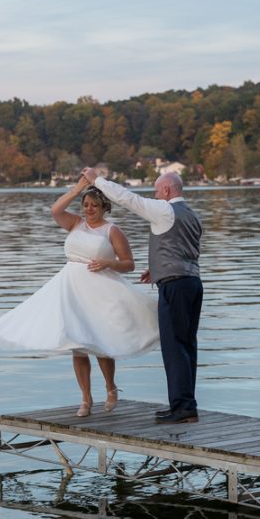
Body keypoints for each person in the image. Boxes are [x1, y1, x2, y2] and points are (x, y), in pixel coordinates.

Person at [0, 177, 159, 416]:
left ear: (104, 208)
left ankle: (110, 388)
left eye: (94, 206)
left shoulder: (112, 230)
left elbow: (129, 264)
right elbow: (55, 209)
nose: (89, 209)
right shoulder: (75, 223)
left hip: (100, 289)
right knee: (77, 344)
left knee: (101, 343)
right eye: (85, 204)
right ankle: (86, 399)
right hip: (71, 288)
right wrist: (78, 188)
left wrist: (108, 263)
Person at [82, 168, 202, 423]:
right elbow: (185, 250)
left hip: (175, 286)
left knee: (174, 347)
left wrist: (97, 181)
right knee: (187, 346)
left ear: (167, 190)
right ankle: (185, 405)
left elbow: (127, 198)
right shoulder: (192, 215)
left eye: (157, 191)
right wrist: (156, 268)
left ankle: (183, 408)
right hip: (192, 283)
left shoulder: (164, 209)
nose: (155, 195)